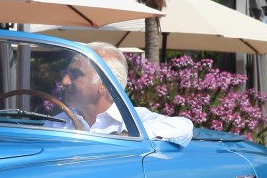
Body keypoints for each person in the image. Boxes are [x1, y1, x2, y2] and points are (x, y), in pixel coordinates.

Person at [57, 42, 194, 143]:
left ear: (104, 84)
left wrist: (130, 135)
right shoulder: (57, 122)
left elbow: (183, 126)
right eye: (66, 73)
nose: (64, 81)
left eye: (76, 74)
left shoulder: (132, 119)